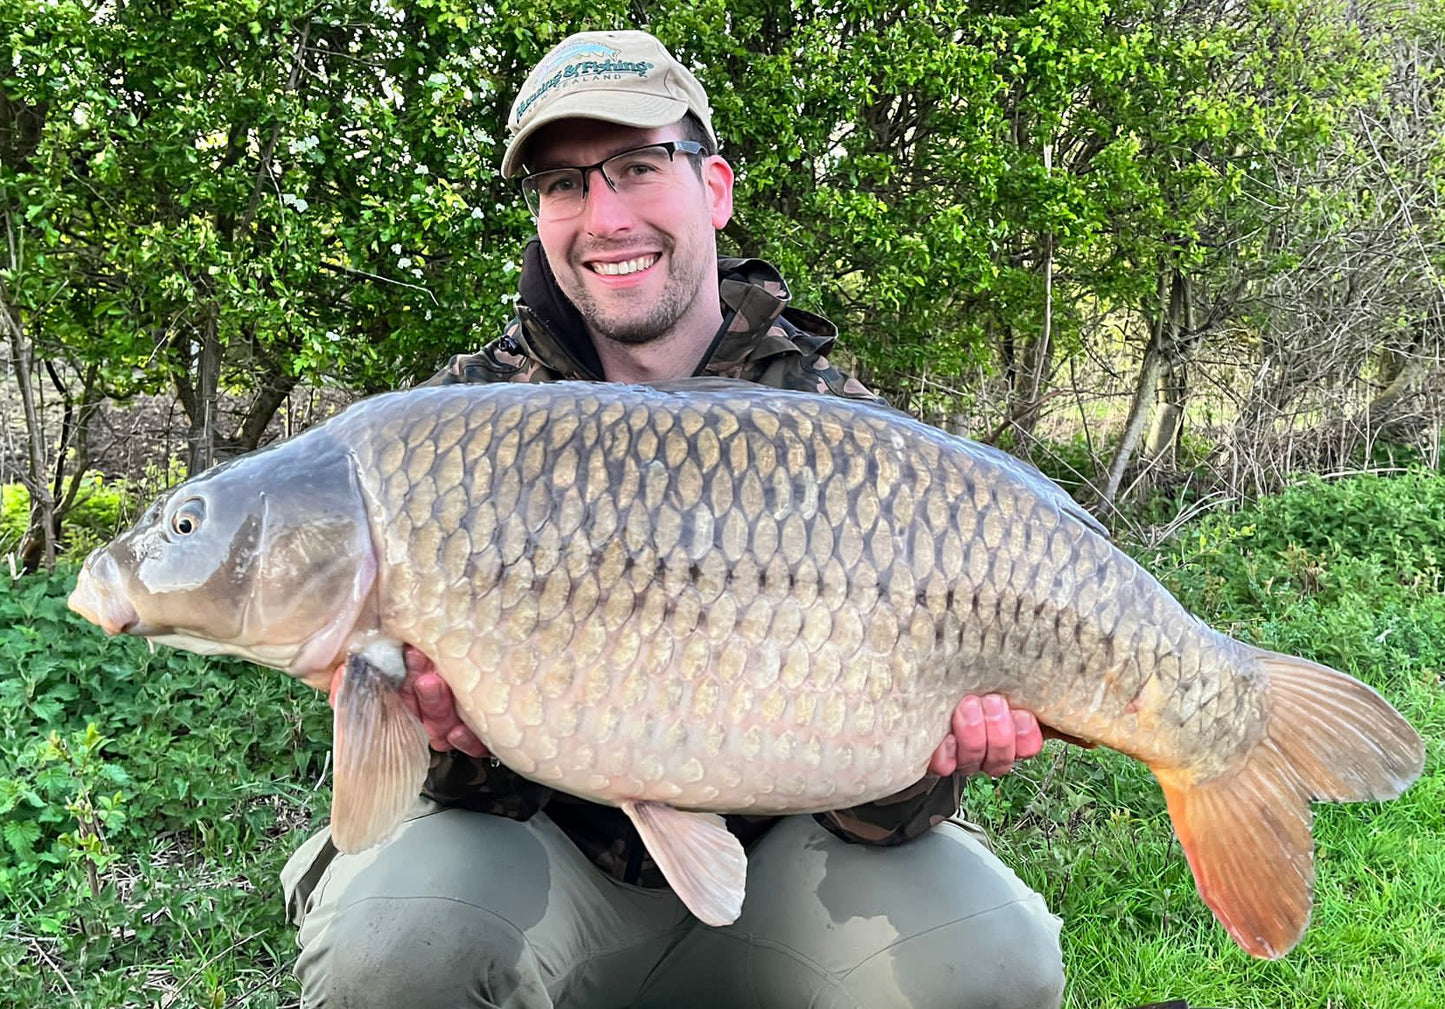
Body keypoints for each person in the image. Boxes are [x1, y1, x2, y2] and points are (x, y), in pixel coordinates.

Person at [281, 29, 1066, 1009]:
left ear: (716, 188)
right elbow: (448, 801)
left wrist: (934, 753)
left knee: (989, 962)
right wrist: (440, 733)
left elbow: (886, 811)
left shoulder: (838, 427)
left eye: (638, 168)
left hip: (790, 870)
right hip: (545, 876)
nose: (603, 215)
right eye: (566, 183)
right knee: (392, 951)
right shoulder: (462, 425)